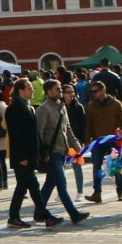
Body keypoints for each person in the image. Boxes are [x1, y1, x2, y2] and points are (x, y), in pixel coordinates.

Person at [34, 81, 88, 226]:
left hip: (62, 150)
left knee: (50, 182)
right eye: (57, 88)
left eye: (60, 88)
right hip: (51, 152)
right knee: (62, 184)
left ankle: (39, 213)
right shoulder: (43, 109)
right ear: (49, 91)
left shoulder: (61, 106)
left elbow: (67, 129)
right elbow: (37, 132)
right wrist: (41, 152)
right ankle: (74, 214)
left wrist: (76, 146)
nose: (60, 90)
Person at [4, 81, 55, 229]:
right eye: (29, 89)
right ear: (20, 91)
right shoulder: (14, 108)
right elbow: (15, 135)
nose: (33, 91)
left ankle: (13, 217)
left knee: (22, 187)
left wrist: (42, 151)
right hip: (22, 157)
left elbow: (34, 133)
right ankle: (46, 216)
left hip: (30, 154)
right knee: (33, 185)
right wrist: (21, 157)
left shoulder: (29, 107)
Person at [83, 80, 122, 203]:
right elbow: (87, 125)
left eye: (96, 91)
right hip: (98, 141)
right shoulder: (91, 106)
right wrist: (87, 140)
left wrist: (121, 134)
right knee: (96, 167)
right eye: (92, 92)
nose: (93, 94)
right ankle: (97, 193)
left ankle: (120, 192)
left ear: (103, 91)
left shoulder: (116, 104)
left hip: (114, 140)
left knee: (117, 166)